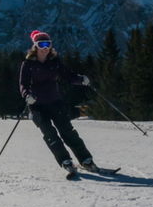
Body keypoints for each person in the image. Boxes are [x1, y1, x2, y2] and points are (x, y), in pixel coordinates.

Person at [18, 30, 100, 179]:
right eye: (41, 44)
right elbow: (23, 84)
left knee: (68, 131)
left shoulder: (55, 62)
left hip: (55, 102)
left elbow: (68, 76)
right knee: (50, 135)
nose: (45, 47)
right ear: (35, 46)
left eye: (47, 44)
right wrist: (27, 95)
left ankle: (85, 160)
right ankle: (65, 161)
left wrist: (81, 79)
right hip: (37, 106)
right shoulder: (28, 64)